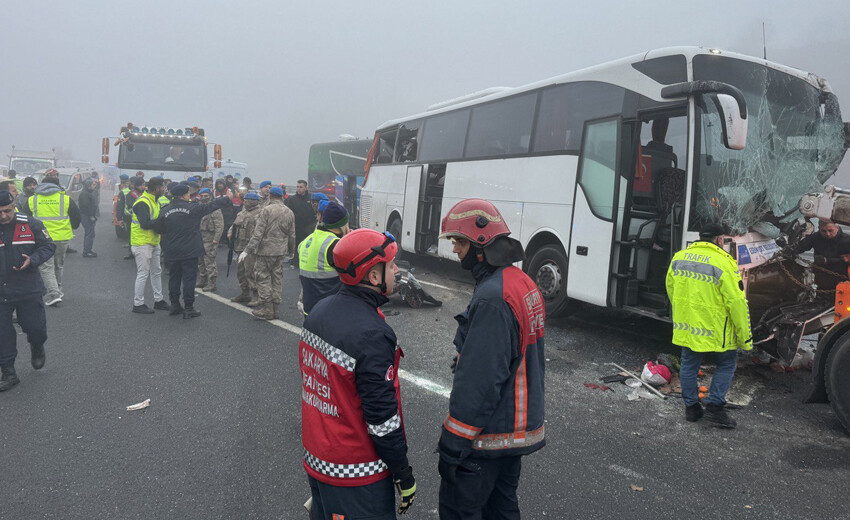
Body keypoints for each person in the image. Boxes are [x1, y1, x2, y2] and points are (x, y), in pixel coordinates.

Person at [436, 198, 546, 520]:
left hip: (486, 439)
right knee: (502, 510)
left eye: (459, 241)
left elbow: (480, 383)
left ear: (480, 242)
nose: (455, 249)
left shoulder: (493, 298)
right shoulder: (521, 283)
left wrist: (453, 444)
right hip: (512, 435)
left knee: (461, 511)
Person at [300, 228, 416, 519]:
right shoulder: (371, 334)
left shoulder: (319, 311)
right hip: (356, 475)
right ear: (373, 277)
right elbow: (382, 420)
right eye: (391, 265)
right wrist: (404, 474)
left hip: (318, 459)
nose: (397, 269)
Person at [666, 222, 752, 428]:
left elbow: (671, 289)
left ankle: (692, 409)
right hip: (716, 330)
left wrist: (683, 314)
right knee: (727, 363)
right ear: (720, 240)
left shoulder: (679, 257)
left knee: (688, 364)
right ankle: (714, 407)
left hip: (687, 327)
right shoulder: (724, 262)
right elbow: (737, 302)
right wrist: (745, 337)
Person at [0, 190, 55, 392]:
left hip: (27, 288)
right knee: (2, 334)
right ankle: (8, 372)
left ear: (14, 206)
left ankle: (37, 345)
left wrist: (33, 260)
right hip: (1, 291)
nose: (3, 216)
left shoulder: (31, 224)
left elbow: (49, 246)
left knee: (35, 328)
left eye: (7, 211)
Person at [155, 183, 232, 318]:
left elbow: (159, 228)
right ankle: (189, 308)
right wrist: (227, 198)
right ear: (185, 195)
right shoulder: (193, 208)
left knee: (174, 278)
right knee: (189, 279)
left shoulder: (165, 209)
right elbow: (211, 206)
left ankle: (174, 305)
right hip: (189, 249)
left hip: (171, 249)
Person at [26, 170, 81, 306]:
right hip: (62, 237)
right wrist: (72, 227)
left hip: (42, 239)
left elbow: (25, 218)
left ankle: (54, 294)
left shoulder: (33, 199)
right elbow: (76, 217)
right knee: (58, 265)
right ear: (57, 186)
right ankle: (58, 290)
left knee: (46, 267)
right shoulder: (65, 199)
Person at [241, 186, 295, 320]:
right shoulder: (289, 212)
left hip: (266, 250)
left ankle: (267, 309)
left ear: (270, 196)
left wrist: (247, 250)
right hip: (280, 250)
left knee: (262, 278)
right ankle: (275, 309)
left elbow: (258, 233)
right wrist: (291, 250)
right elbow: (292, 235)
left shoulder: (266, 210)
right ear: (282, 196)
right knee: (277, 278)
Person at [298, 201, 350, 317]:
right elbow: (352, 274)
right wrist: (347, 241)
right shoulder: (336, 245)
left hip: (309, 307)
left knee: (310, 335)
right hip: (329, 310)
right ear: (342, 224)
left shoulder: (306, 241)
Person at [130, 177, 169, 314]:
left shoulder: (154, 201)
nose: (164, 189)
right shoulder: (143, 202)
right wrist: (161, 222)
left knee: (156, 272)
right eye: (163, 187)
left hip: (153, 241)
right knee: (143, 274)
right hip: (142, 243)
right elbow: (145, 224)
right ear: (156, 188)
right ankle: (138, 303)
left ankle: (159, 300)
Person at [791, 218, 850, 293]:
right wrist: (791, 250)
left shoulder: (846, 241)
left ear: (837, 228)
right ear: (819, 229)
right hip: (822, 281)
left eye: (830, 230)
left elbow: (847, 260)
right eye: (823, 231)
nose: (827, 234)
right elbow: (800, 246)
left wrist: (827, 260)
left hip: (843, 281)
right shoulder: (815, 238)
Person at [228, 192, 261, 304]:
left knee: (250, 272)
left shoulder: (259, 213)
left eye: (247, 200)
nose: (245, 202)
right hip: (240, 245)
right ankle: (245, 293)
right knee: (241, 271)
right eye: (245, 200)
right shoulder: (242, 212)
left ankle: (256, 296)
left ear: (253, 201)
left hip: (251, 247)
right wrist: (230, 232)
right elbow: (234, 225)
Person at [197, 188, 224, 292]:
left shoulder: (215, 209)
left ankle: (212, 283)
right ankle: (202, 280)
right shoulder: (199, 207)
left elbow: (219, 226)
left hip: (210, 239)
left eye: (206, 196)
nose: (204, 198)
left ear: (210, 196)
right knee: (200, 261)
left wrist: (216, 240)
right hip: (199, 237)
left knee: (209, 262)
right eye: (202, 196)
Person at [285, 179, 317, 268]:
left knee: (309, 246)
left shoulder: (311, 198)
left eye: (301, 187)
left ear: (306, 188)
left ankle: (308, 262)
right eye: (297, 187)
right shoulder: (292, 199)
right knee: (297, 246)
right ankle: (296, 262)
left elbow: (315, 211)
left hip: (310, 227)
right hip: (297, 227)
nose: (299, 189)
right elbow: (289, 213)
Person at [123, 176, 146, 260]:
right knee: (132, 237)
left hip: (142, 219)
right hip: (131, 219)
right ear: (136, 186)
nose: (143, 187)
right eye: (141, 185)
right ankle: (132, 253)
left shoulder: (144, 193)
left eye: (144, 185)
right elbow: (131, 206)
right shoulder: (131, 194)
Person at [78, 178, 100, 258]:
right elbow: (85, 207)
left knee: (90, 233)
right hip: (86, 217)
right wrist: (91, 216)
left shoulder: (87, 193)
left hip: (87, 216)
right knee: (89, 234)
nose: (95, 186)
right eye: (93, 185)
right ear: (88, 186)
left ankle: (88, 250)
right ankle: (87, 251)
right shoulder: (85, 194)